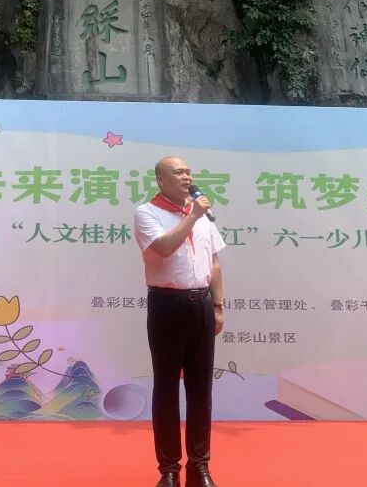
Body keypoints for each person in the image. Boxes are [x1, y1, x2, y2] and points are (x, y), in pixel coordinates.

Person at [134, 156, 225, 487]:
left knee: (201, 390)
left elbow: (214, 262)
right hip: (167, 306)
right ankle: (169, 469)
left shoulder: (200, 214)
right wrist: (193, 216)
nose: (187, 177)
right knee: (167, 388)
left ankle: (199, 467)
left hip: (201, 304)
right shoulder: (147, 212)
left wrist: (218, 305)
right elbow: (163, 248)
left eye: (188, 172)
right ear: (161, 179)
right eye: (178, 172)